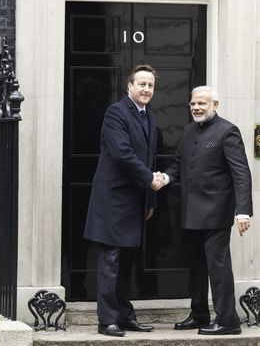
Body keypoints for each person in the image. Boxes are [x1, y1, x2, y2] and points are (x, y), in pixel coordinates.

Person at [153, 86, 253, 335]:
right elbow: (178, 165)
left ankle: (228, 320)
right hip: (190, 213)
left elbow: (241, 173)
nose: (196, 108)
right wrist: (165, 178)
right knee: (196, 267)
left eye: (202, 104)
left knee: (218, 268)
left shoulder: (228, 131)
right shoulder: (188, 131)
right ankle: (198, 314)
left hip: (217, 213)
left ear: (215, 105)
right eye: (193, 104)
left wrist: (243, 211)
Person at [84, 64, 160, 337]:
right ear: (129, 86)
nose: (146, 89)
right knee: (111, 262)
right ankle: (107, 321)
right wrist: (150, 180)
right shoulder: (116, 112)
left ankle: (125, 316)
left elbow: (149, 159)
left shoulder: (149, 117)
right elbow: (122, 153)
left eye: (150, 85)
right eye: (141, 84)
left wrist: (150, 198)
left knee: (127, 262)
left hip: (136, 200)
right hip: (113, 199)